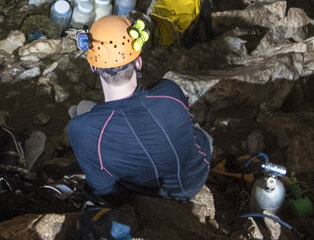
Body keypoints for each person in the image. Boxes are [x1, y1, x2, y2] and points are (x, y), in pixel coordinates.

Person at [66, 14, 212, 202]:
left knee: (80, 111)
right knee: (196, 133)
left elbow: (105, 188)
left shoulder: (82, 128)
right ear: (139, 62)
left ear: (93, 67)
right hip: (197, 175)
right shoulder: (169, 91)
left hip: (152, 195)